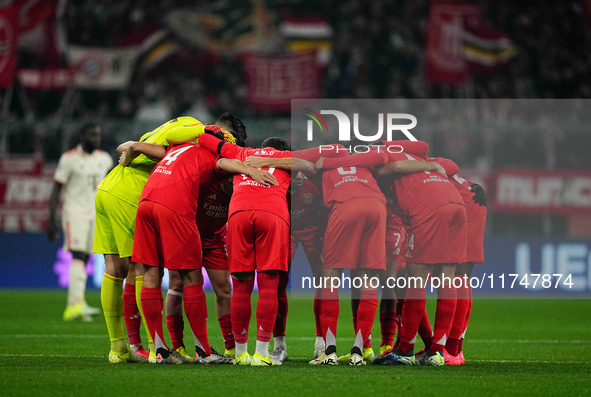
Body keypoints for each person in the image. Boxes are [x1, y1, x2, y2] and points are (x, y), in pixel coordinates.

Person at [121, 130, 276, 364]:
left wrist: (130, 151)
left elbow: (135, 145)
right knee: (191, 277)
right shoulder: (209, 156)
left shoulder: (176, 147)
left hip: (146, 203)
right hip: (174, 206)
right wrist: (250, 170)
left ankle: (160, 351)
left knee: (151, 273)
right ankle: (204, 352)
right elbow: (226, 161)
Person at [93, 116, 208, 363]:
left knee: (114, 269)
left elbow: (130, 148)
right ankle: (157, 349)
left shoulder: (164, 127)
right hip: (132, 193)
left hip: (108, 188)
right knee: (142, 268)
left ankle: (120, 347)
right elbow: (169, 153)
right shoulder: (195, 130)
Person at [198, 131, 294, 366]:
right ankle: (261, 354)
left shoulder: (244, 152)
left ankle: (241, 353)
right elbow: (315, 162)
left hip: (239, 214)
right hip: (272, 214)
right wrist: (276, 162)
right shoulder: (290, 159)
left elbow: (203, 138)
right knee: (269, 285)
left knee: (241, 286)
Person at [48, 123, 113, 321]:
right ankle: (75, 304)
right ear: (82, 135)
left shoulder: (105, 158)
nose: (96, 139)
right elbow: (56, 189)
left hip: (95, 213)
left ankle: (76, 304)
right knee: (77, 254)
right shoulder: (69, 159)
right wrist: (51, 219)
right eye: (93, 135)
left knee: (84, 258)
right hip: (74, 212)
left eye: (98, 135)